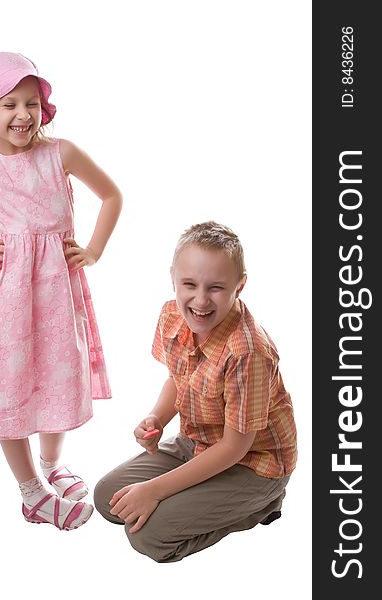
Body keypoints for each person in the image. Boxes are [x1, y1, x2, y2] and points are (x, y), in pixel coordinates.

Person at [0, 52, 122, 531]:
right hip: (7, 302)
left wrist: (92, 250)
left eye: (30, 102)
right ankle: (31, 491)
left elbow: (112, 195)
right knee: (12, 390)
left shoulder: (62, 154)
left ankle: (53, 466)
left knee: (57, 379)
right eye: (8, 103)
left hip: (57, 296)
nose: (23, 114)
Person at [94, 221, 297, 561]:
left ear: (239, 286)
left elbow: (235, 448)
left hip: (252, 464)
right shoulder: (173, 315)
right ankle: (194, 495)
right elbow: (178, 378)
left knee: (148, 536)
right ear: (173, 278)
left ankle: (264, 503)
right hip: (197, 443)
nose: (200, 300)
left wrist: (155, 490)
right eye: (189, 284)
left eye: (216, 288)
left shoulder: (247, 353)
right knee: (108, 499)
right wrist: (156, 417)